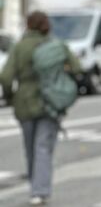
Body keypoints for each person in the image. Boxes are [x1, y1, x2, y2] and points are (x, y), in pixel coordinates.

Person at [0, 11, 82, 206]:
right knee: (44, 146)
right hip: (50, 101)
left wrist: (11, 97)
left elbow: (5, 76)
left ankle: (34, 188)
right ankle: (40, 190)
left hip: (24, 102)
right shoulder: (56, 45)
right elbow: (77, 68)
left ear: (27, 25)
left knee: (30, 148)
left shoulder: (19, 47)